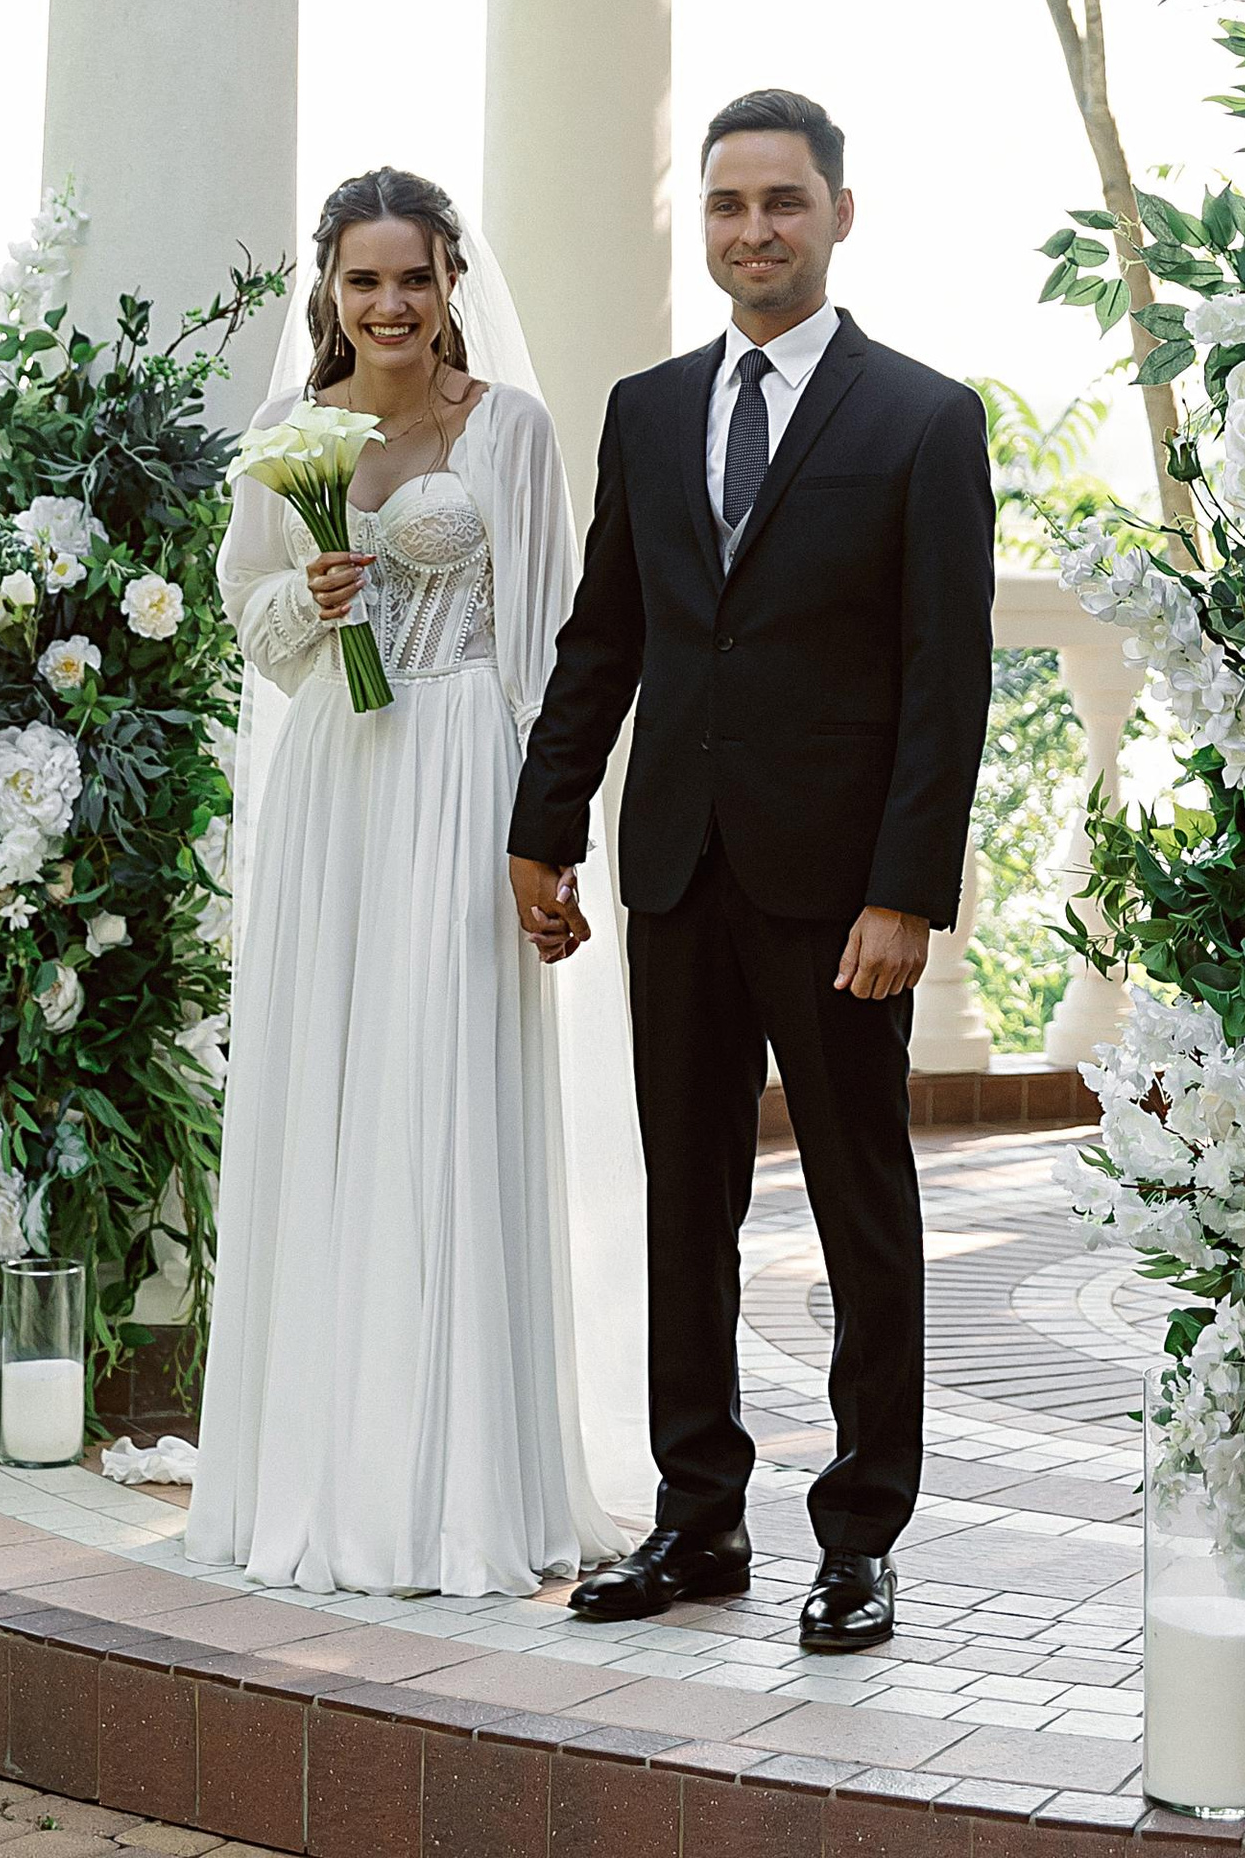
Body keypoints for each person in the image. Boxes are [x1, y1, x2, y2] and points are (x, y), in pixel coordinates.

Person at [508, 90, 995, 1653]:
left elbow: (946, 679)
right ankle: (696, 1519)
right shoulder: (648, 411)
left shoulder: (923, 421)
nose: (753, 231)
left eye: (782, 202)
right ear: (701, 222)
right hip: (678, 879)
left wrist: (906, 891)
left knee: (862, 1205)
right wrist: (546, 822)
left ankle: (859, 1535)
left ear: (838, 215)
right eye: (726, 204)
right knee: (688, 1203)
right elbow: (609, 635)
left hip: (843, 893)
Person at [182, 166, 648, 1597]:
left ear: (454, 282)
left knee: (442, 1089)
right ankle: (320, 1470)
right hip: (338, 774)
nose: (390, 305)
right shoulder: (282, 432)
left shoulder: (506, 428)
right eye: (363, 280)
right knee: (331, 1084)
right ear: (329, 289)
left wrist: (541, 832)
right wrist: (301, 606)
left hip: (459, 766)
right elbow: (250, 614)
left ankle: (458, 1486)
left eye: (415, 278)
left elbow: (557, 640)